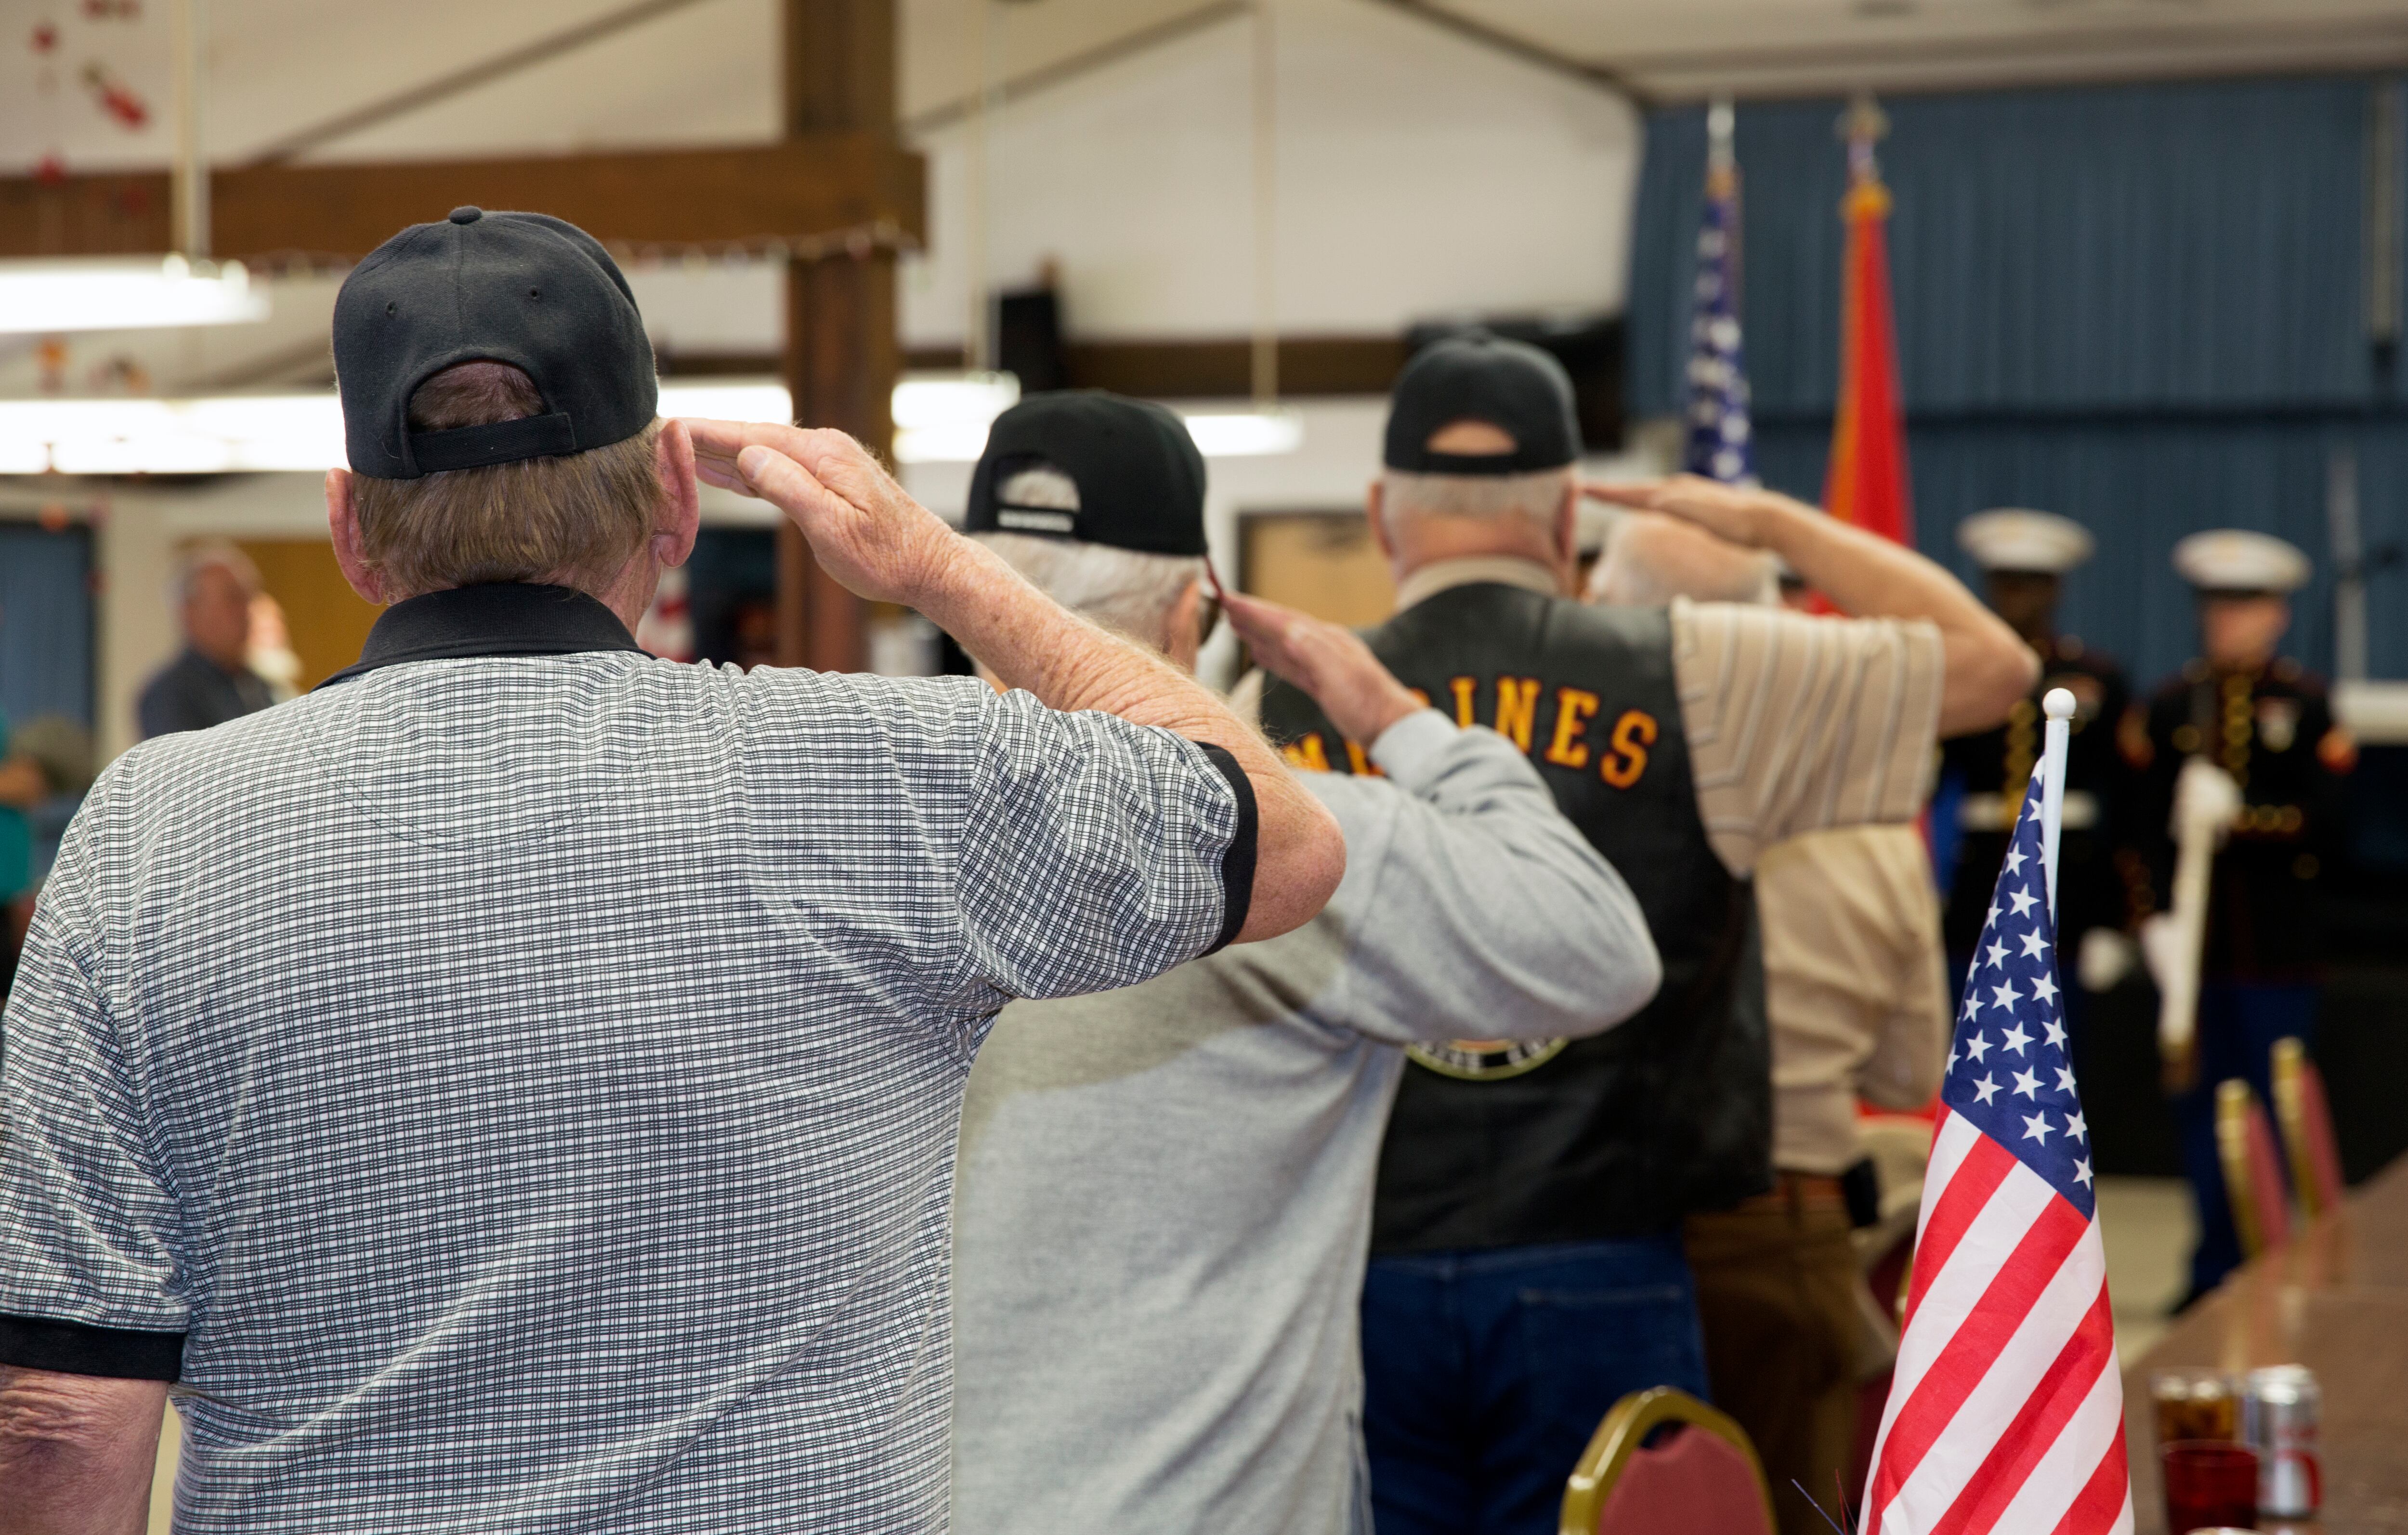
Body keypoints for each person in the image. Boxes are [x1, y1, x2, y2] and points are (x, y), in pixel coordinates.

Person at [0, 208, 1344, 1533]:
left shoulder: (148, 838)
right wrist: (936, 563)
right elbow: (1281, 842)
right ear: (677, 503)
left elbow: (60, 1415)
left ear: (351, 527)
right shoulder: (880, 779)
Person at [1257, 333, 2036, 1535]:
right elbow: (1997, 667)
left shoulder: (1269, 696)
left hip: (1355, 1266)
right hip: (1602, 1252)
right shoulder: (1692, 668)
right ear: (1569, 510)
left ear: (1380, 511)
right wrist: (1773, 524)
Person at [949, 392, 1662, 1535]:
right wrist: (1392, 716)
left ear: (966, 598)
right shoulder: (1295, 847)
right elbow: (1596, 944)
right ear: (1194, 609)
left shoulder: (859, 816)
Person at [1592, 513, 1950, 1535]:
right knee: (1793, 1515)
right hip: (1787, 1229)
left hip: (1598, 1216)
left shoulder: (1565, 796)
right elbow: (1909, 1064)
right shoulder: (1875, 823)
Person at [2122, 528, 2353, 1300]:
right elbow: (2139, 833)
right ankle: (2216, 1265)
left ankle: (2283, 1260)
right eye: (2216, 606)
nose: (2227, 620)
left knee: (2278, 1108)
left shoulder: (2306, 704)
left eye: (2244, 605)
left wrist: (2242, 816)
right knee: (2203, 1113)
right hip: (2197, 956)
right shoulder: (2171, 704)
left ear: (2277, 614)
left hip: (2276, 952)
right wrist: (2151, 924)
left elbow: (2330, 824)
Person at [1939, 509, 2133, 996]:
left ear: (2053, 590)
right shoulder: (1963, 675)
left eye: (2028, 584)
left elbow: (2126, 800)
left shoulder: (2094, 675)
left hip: (2069, 881)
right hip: (1978, 879)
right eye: (2003, 583)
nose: (2014, 598)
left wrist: (2114, 916)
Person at [135, 541, 277, 738]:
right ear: (190, 612)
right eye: (233, 598)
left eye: (248, 598)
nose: (246, 611)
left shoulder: (257, 684)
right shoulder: (169, 695)